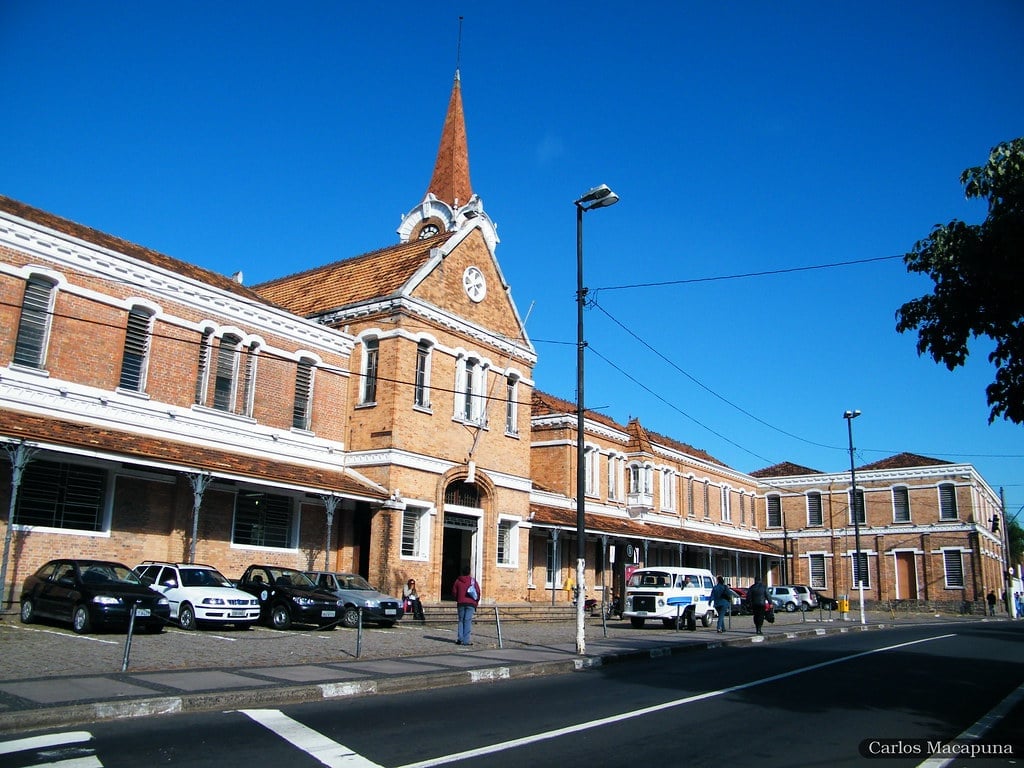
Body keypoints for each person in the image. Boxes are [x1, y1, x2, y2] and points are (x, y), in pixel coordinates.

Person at [452, 566, 480, 645]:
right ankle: (466, 640)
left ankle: (460, 638)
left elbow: (454, 592)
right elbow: (477, 592)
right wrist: (476, 602)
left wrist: (458, 598)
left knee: (461, 621)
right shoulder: (472, 581)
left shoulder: (458, 581)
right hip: (471, 603)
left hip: (461, 603)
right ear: (469, 572)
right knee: (467, 621)